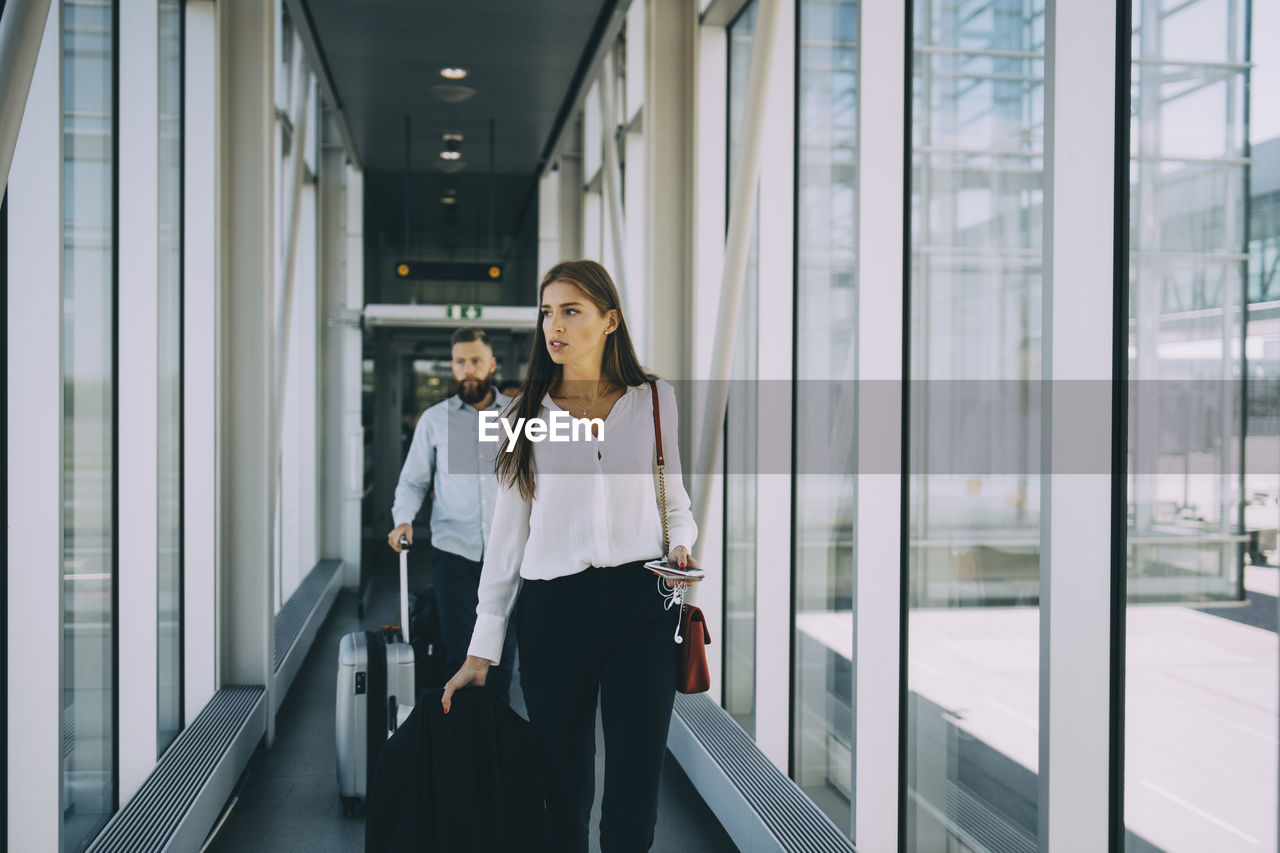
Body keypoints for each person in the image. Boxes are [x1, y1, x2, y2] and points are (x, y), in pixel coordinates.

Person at [441, 260, 700, 853]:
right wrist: (483, 649)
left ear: (610, 320)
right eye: (547, 311)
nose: (553, 324)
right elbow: (507, 539)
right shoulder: (520, 417)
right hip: (555, 610)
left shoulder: (656, 402)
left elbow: (675, 499)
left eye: (570, 310)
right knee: (563, 791)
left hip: (644, 605)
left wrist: (681, 542)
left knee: (635, 793)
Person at [388, 327, 517, 700]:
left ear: (491, 364)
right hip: (454, 554)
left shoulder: (518, 417)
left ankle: (493, 747)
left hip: (507, 556)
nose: (468, 369)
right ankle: (458, 747)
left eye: (476, 360)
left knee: (501, 660)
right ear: (452, 366)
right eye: (461, 362)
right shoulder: (434, 420)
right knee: (458, 652)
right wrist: (404, 519)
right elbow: (413, 481)